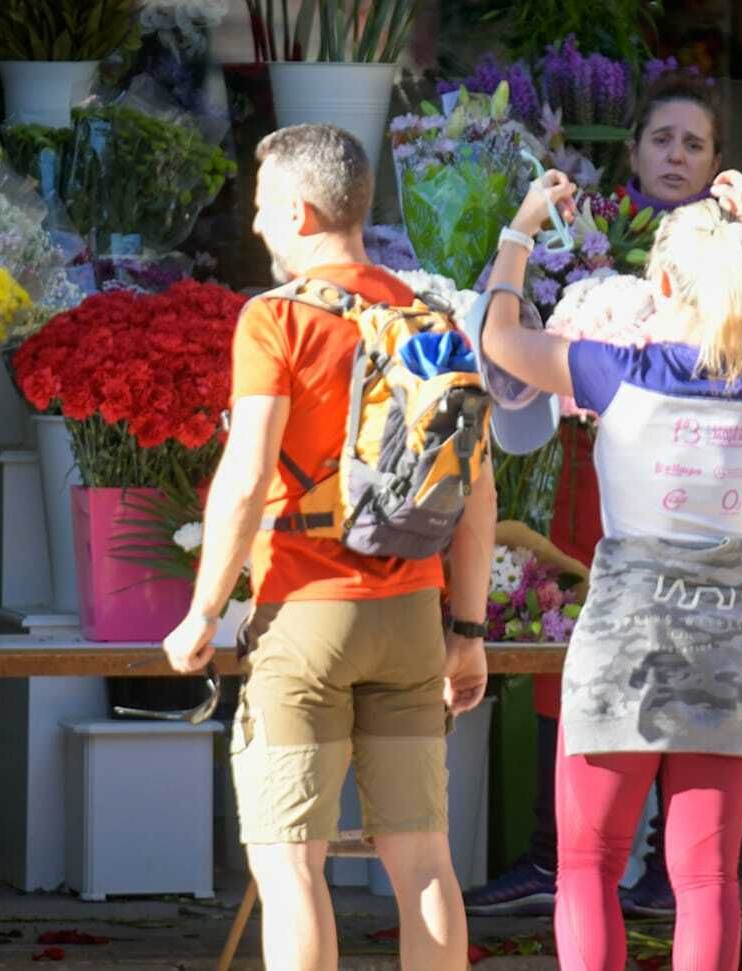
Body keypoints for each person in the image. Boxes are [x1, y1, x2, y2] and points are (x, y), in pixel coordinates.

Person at [475, 166, 742, 971]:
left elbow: (500, 340)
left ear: (667, 278)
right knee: (706, 873)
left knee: (587, 865)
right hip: (735, 644)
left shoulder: (617, 371)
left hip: (628, 644)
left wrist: (522, 228)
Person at [162, 124, 495, 970]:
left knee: (291, 866)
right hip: (413, 615)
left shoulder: (275, 320)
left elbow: (242, 482)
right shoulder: (432, 318)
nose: (260, 227)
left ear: (303, 211)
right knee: (421, 856)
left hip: (304, 620)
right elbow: (477, 490)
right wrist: (469, 631)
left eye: (265, 209)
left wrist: (202, 611)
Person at [463, 69, 727, 921]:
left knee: (683, 656)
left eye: (693, 143)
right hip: (593, 463)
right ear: (635, 151)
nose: (676, 156)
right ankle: (554, 854)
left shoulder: (734, 252)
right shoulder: (590, 231)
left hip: (694, 477)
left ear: (718, 160)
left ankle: (659, 869)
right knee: (568, 635)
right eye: (662, 140)